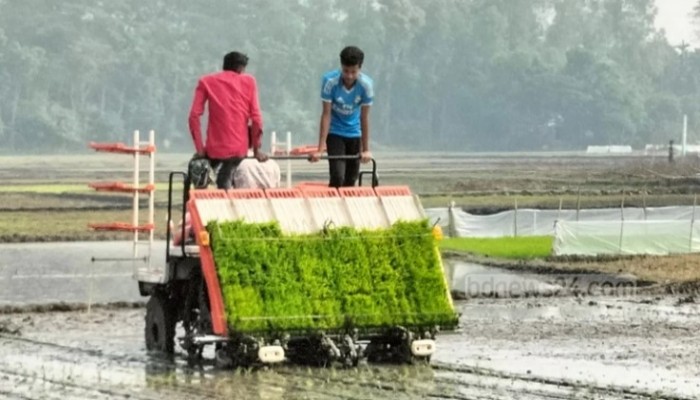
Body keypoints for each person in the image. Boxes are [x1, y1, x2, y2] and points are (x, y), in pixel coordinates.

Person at [188, 51, 268, 190]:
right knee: (226, 176)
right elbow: (256, 119)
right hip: (239, 149)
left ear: (224, 66)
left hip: (213, 149)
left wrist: (200, 149)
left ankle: (197, 199)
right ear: (241, 69)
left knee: (198, 177)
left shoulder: (206, 81)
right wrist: (256, 150)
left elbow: (193, 116)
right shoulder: (248, 81)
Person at [309, 46, 373, 188]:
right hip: (335, 132)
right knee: (338, 176)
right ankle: (332, 203)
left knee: (351, 179)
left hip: (354, 133)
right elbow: (326, 115)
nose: (349, 76)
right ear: (341, 67)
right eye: (346, 71)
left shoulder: (366, 86)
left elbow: (364, 118)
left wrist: (366, 149)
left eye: (353, 72)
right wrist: (320, 149)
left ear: (360, 69)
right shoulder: (330, 81)